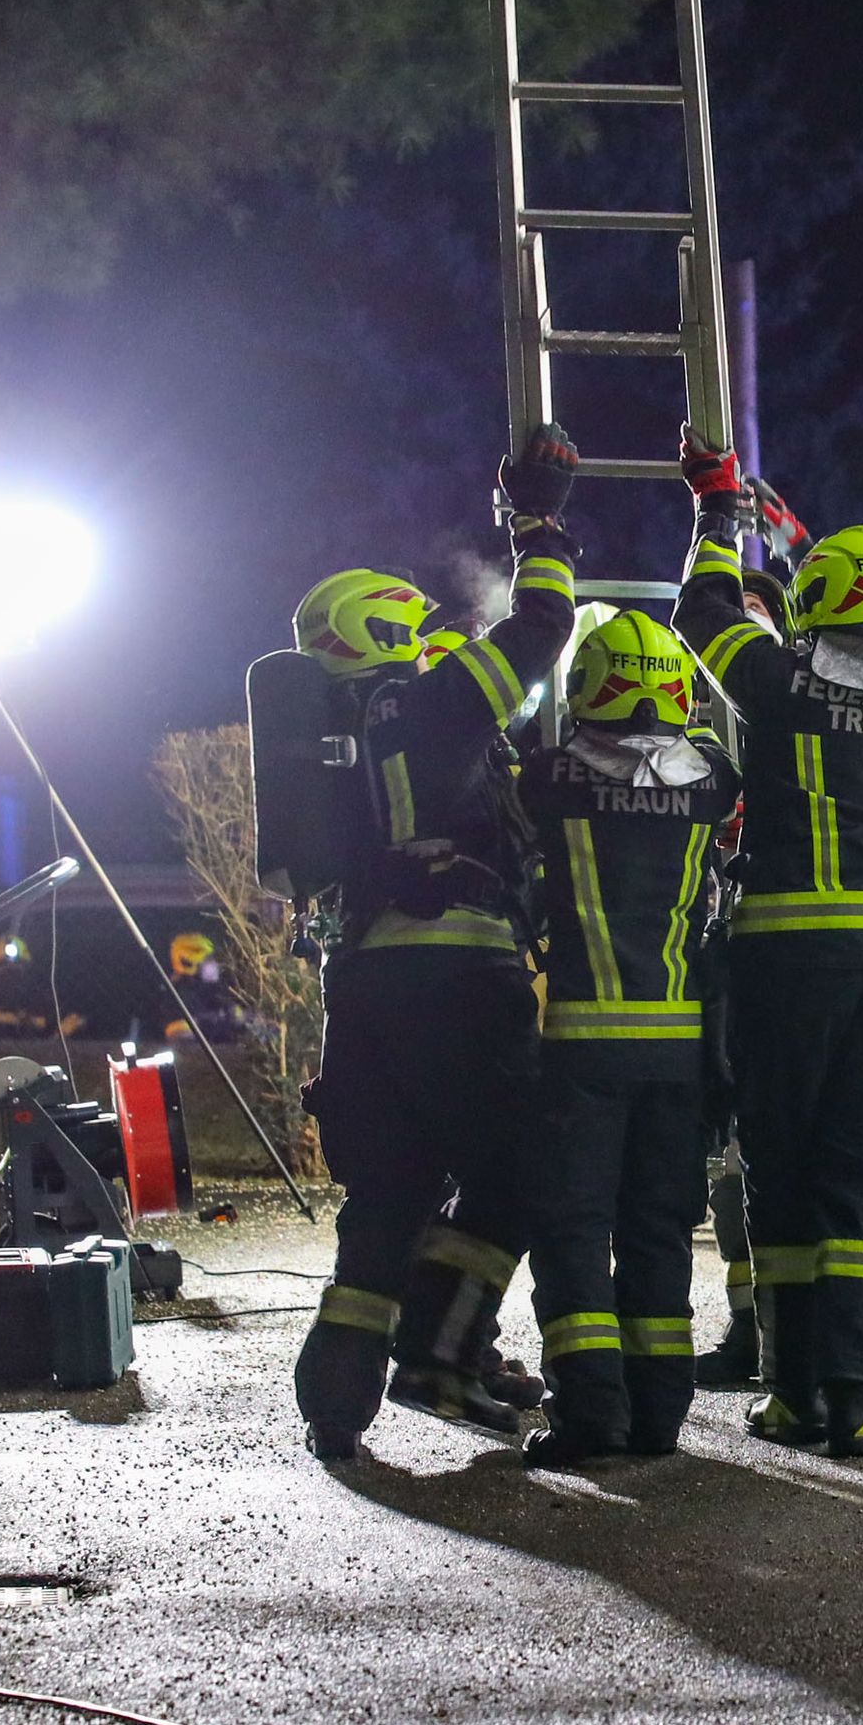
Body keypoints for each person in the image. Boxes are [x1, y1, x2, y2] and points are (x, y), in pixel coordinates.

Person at [675, 431, 863, 1457]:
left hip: (786, 964)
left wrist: (715, 512)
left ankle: (791, 1394)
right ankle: (856, 1397)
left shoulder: (783, 680)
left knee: (782, 1174)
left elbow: (703, 614)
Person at [498, 428, 740, 1465]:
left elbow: (528, 672)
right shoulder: (713, 780)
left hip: (583, 1050)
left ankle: (588, 1412)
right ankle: (660, 1415)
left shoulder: (548, 781)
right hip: (680, 1056)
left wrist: (536, 528)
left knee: (571, 1234)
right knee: (654, 1237)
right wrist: (719, 516)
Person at [276, 540, 550, 1455]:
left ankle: (337, 1401)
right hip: (461, 978)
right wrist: (544, 537)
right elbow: (543, 627)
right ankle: (442, 1356)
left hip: (363, 985)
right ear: (383, 629)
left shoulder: (331, 730)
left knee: (390, 1189)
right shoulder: (431, 704)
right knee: (515, 1173)